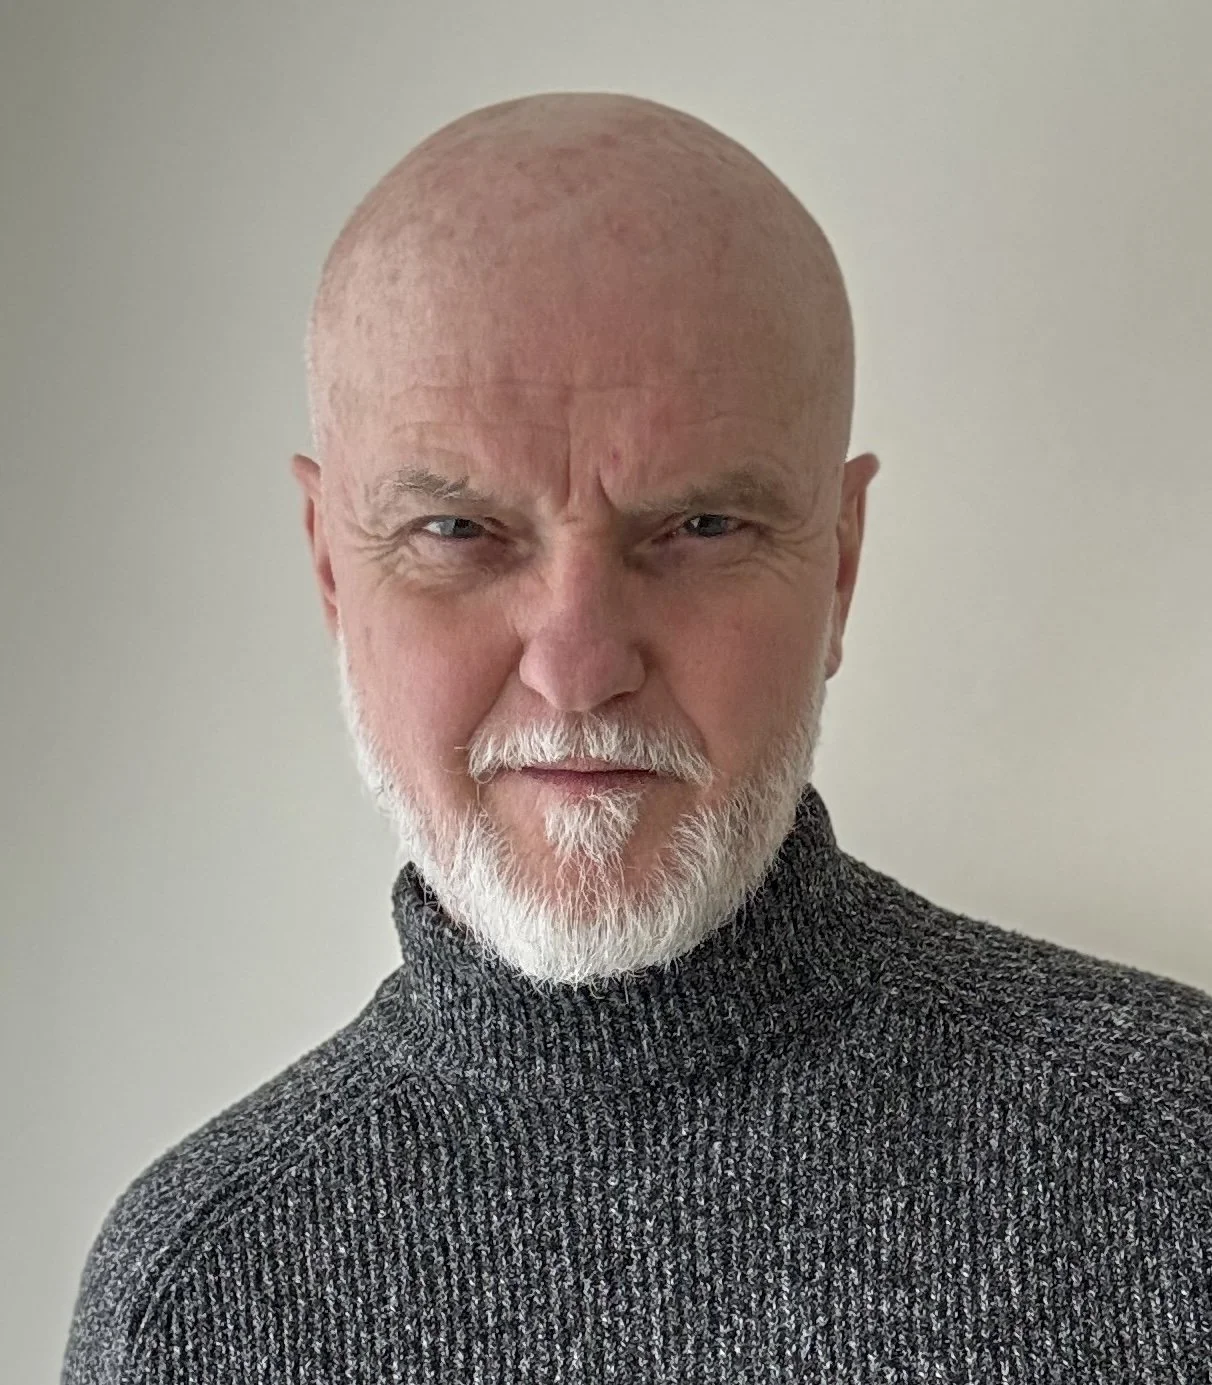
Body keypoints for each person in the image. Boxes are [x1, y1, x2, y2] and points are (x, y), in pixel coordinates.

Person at [62, 92, 1211, 1382]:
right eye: (457, 532)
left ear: (838, 568)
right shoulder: (201, 1302)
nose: (579, 669)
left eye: (703, 529)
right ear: (332, 569)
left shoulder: (1184, 1169)